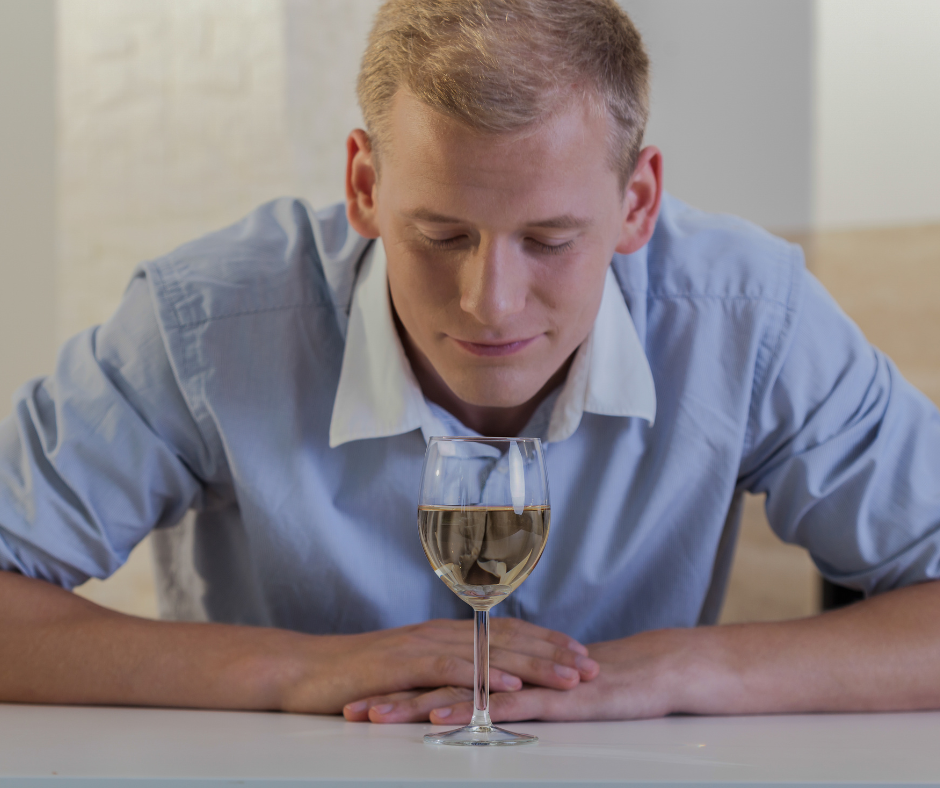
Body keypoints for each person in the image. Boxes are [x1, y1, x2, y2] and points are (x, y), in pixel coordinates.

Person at [2, 0, 940, 726]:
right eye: (441, 234)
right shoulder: (206, 322)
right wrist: (294, 668)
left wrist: (693, 667)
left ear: (638, 202)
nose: (490, 303)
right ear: (365, 187)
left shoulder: (750, 317)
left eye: (552, 240)